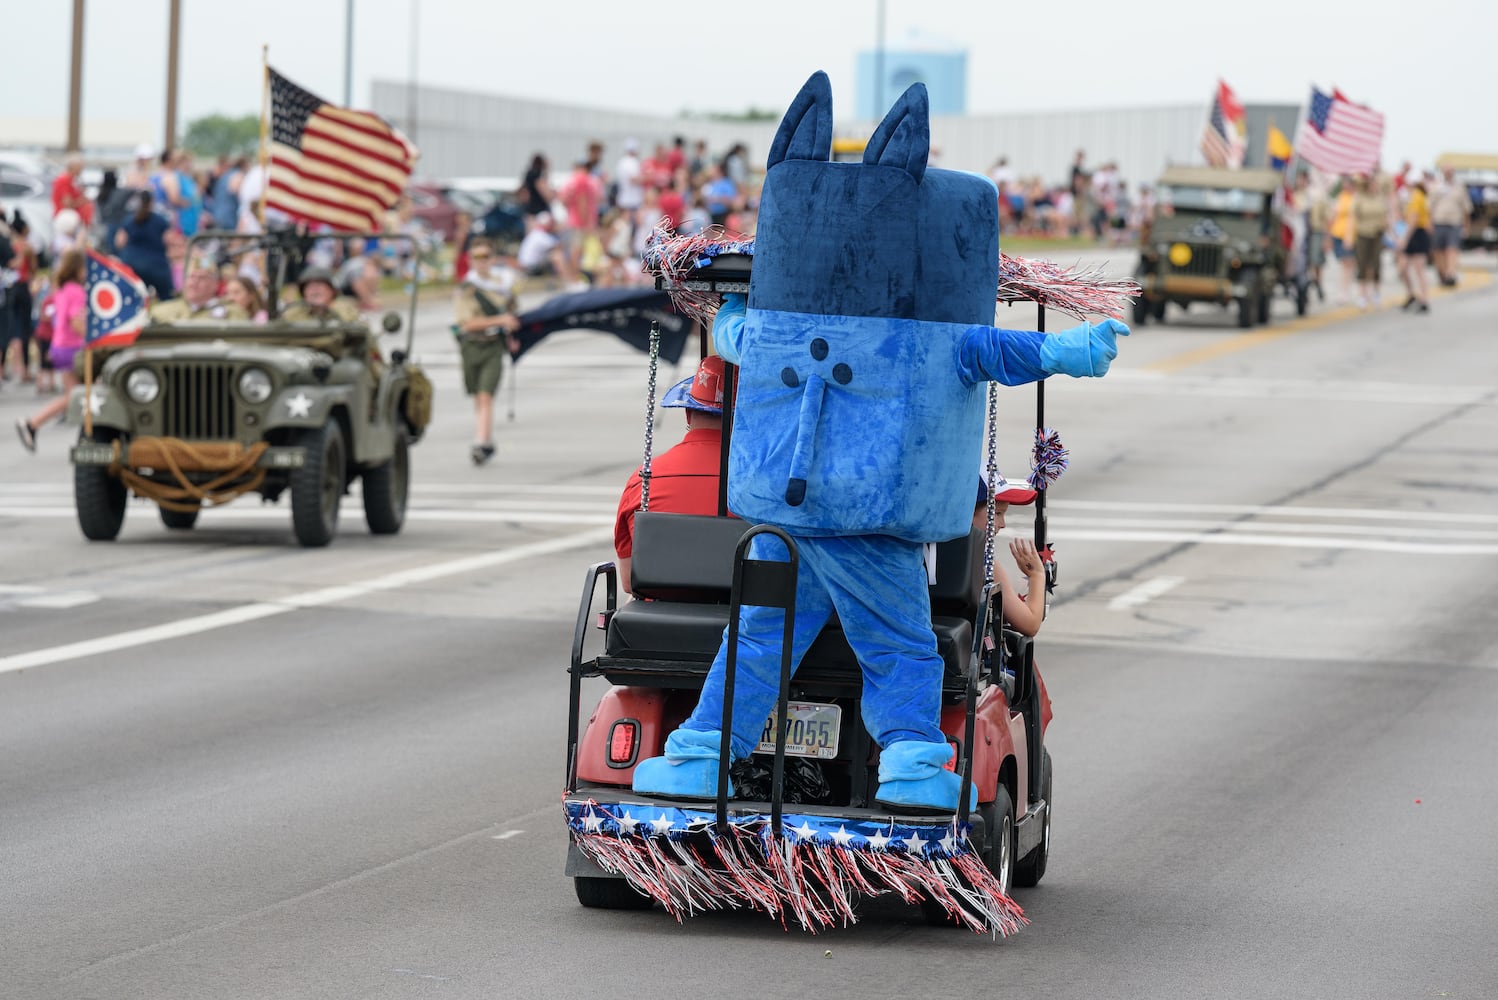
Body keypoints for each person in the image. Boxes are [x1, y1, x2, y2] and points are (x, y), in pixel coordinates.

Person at [613, 355, 727, 595]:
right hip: (740, 623)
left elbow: (629, 581)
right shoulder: (761, 484)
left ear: (688, 413)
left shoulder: (641, 479)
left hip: (659, 623)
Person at [452, 239, 521, 465]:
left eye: (486, 257)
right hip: (472, 346)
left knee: (485, 395)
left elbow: (512, 313)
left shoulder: (502, 284)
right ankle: (486, 438)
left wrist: (511, 334)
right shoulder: (467, 288)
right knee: (478, 395)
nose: (482, 262)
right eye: (477, 258)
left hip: (493, 345)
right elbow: (466, 323)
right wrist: (500, 319)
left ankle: (480, 441)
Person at [15, 249, 86, 452]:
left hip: (59, 344)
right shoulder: (76, 291)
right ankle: (32, 423)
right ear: (77, 269)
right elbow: (76, 321)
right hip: (72, 346)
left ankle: (33, 424)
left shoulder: (61, 288)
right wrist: (90, 336)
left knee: (74, 394)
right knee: (76, 395)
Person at [971, 470, 1047, 638]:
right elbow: (1029, 623)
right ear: (967, 512)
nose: (1003, 524)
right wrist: (1037, 575)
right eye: (997, 513)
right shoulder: (984, 563)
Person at [115, 190, 174, 301]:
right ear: (151, 202)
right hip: (157, 266)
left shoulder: (129, 220)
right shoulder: (160, 220)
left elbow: (119, 242)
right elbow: (170, 241)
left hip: (132, 266)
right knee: (167, 298)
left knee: (135, 299)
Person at [148, 257, 247, 321]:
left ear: (215, 284)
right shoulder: (162, 310)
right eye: (191, 277)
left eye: (201, 278)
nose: (194, 282)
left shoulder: (232, 312)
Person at [3, 214, 37, 383]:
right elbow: (32, 269)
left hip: (9, 287)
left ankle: (9, 367)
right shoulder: (25, 246)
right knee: (23, 329)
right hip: (22, 286)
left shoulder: (8, 243)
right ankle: (23, 369)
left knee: (10, 328)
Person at [1350, 174, 1391, 310]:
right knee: (1362, 263)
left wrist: (1389, 230)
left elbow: (1386, 215)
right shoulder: (1360, 198)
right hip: (1363, 234)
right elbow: (1353, 218)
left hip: (1377, 234)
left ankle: (1376, 292)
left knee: (1376, 263)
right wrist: (1349, 236)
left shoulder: (1380, 198)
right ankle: (1363, 295)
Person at [1428, 166, 1472, 287]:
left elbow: (1466, 208)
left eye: (1450, 172)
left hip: (1454, 222)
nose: (1448, 174)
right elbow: (1429, 207)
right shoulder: (1436, 187)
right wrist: (1429, 223)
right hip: (1438, 222)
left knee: (1452, 249)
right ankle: (1443, 273)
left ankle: (1451, 274)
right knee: (1438, 250)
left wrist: (1467, 226)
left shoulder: (1459, 187)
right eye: (1446, 172)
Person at [1398, 179, 1432, 313]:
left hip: (1416, 233)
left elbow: (1414, 219)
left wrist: (1404, 238)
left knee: (1418, 269)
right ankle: (1411, 294)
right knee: (1404, 268)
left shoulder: (1417, 196)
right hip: (1415, 232)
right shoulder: (1416, 196)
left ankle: (1424, 299)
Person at [281, 268, 359, 323]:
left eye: (319, 285)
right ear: (304, 293)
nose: (315, 290)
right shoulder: (295, 312)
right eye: (309, 287)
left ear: (332, 291)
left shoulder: (347, 309)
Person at [51, 156, 94, 229]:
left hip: (73, 219)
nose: (81, 171)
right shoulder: (64, 180)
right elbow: (67, 203)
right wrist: (83, 200)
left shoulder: (72, 180)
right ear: (73, 167)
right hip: (67, 220)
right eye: (80, 168)